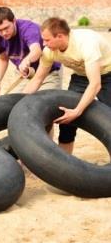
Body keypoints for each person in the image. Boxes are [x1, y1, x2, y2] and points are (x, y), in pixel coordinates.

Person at [24, 17, 111, 154]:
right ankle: (64, 167)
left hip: (107, 74)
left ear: (60, 36)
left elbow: (95, 84)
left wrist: (77, 111)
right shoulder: (49, 52)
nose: (44, 44)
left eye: (47, 40)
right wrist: (19, 102)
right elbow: (37, 79)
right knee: (66, 121)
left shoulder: (86, 43)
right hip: (81, 77)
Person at [0, 7, 62, 96]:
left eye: (6, 28)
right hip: (25, 75)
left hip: (49, 73)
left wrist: (26, 60)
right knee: (14, 102)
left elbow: (36, 50)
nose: (4, 33)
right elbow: (3, 59)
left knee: (41, 102)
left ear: (14, 21)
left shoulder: (29, 29)